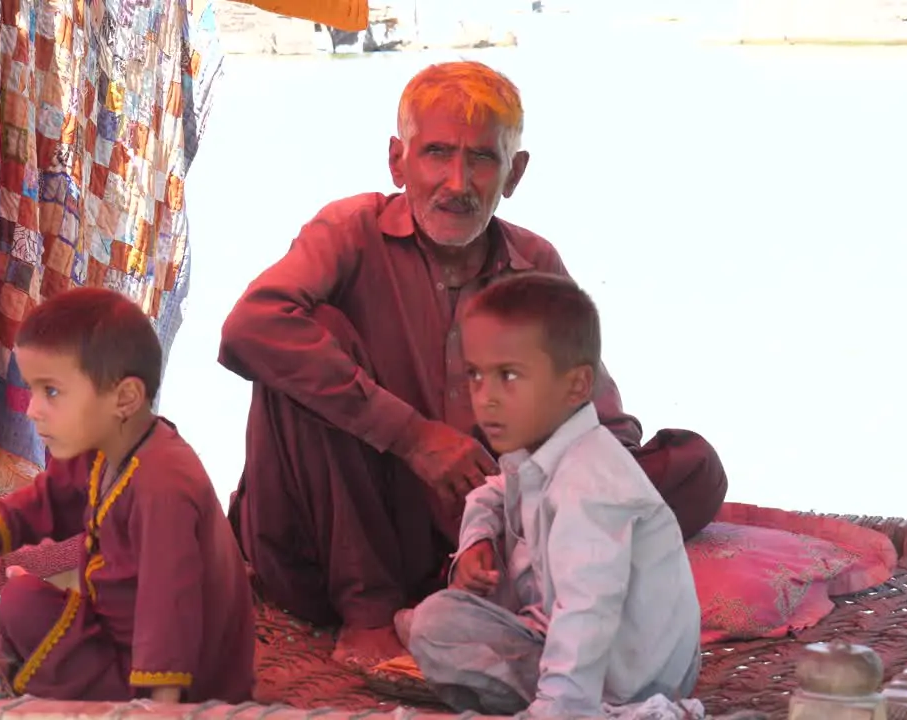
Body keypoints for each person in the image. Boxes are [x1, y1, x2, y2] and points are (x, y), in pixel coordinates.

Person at [217, 60, 727, 664]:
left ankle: (488, 591)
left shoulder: (533, 261)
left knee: (690, 465)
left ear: (514, 173)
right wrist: (411, 436)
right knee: (303, 342)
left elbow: (603, 423)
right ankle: (371, 613)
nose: (457, 182)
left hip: (474, 544)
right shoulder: (350, 231)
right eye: (436, 152)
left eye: (482, 159)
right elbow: (249, 328)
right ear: (397, 161)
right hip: (333, 547)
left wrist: (516, 501)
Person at [0, 287, 254, 704]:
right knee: (21, 597)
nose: (32, 410)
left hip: (184, 686)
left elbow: (169, 612)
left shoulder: (163, 485)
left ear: (124, 398)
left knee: (21, 602)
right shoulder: (105, 446)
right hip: (119, 641)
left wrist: (160, 710)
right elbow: (47, 499)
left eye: (52, 392)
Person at [400, 272, 701, 718]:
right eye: (476, 376)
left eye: (509, 376)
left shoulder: (591, 486)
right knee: (435, 623)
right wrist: (476, 542)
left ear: (577, 386)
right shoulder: (543, 451)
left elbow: (586, 613)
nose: (486, 399)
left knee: (432, 628)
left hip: (629, 681)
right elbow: (492, 493)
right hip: (572, 650)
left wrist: (556, 711)